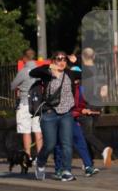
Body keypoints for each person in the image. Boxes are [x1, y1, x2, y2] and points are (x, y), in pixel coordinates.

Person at [29, 50, 81, 182]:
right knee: (50, 144)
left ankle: (66, 171)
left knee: (67, 144)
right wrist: (49, 66)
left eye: (64, 59)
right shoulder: (47, 74)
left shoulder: (70, 73)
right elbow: (32, 72)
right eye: (58, 59)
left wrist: (78, 61)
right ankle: (40, 162)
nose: (62, 61)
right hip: (49, 114)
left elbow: (89, 74)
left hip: (66, 114)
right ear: (53, 60)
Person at [77, 47, 112, 168]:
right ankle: (89, 161)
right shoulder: (100, 71)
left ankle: (103, 149)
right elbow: (105, 92)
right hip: (98, 105)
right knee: (89, 133)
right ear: (94, 57)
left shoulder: (82, 72)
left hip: (86, 105)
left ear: (82, 57)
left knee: (85, 134)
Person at [10, 50, 43, 161]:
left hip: (25, 104)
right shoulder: (40, 71)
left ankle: (28, 156)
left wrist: (20, 88)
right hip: (38, 104)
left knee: (26, 131)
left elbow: (12, 85)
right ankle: (40, 157)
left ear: (24, 58)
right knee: (38, 130)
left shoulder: (24, 71)